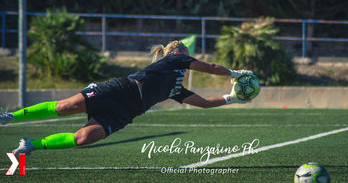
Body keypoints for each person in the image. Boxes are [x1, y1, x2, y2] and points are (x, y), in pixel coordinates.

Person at [0, 40, 253, 158]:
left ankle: (31, 145)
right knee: (66, 107)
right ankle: (10, 116)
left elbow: (205, 103)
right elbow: (208, 66)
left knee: (85, 137)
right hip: (119, 90)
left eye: (187, 53)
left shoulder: (176, 87)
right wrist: (235, 73)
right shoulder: (174, 59)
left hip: (126, 112)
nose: (187, 55)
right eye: (184, 51)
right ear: (174, 52)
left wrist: (233, 98)